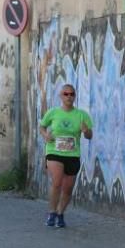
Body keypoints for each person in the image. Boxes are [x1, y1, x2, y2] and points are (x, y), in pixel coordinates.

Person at [38, 83, 92, 229]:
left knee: (68, 188)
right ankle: (52, 213)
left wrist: (86, 131)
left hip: (72, 154)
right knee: (57, 182)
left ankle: (61, 213)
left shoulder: (81, 115)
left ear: (74, 97)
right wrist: (45, 135)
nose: (69, 97)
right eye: (66, 94)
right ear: (61, 96)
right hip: (54, 151)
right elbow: (42, 126)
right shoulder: (53, 112)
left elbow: (89, 136)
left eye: (72, 94)